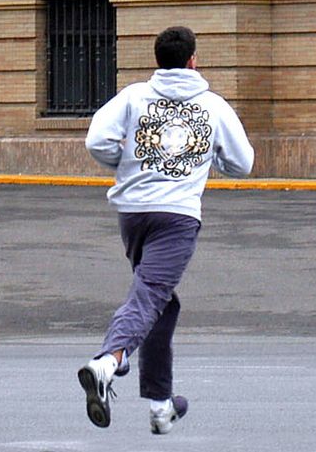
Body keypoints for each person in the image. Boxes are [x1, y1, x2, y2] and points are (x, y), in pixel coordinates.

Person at [77, 25, 254, 435]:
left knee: (161, 302)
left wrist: (125, 165)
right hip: (177, 217)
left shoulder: (133, 96)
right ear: (193, 59)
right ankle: (110, 360)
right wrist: (210, 162)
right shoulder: (213, 106)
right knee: (150, 295)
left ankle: (160, 405)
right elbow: (242, 162)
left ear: (157, 59)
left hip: (133, 214)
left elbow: (97, 141)